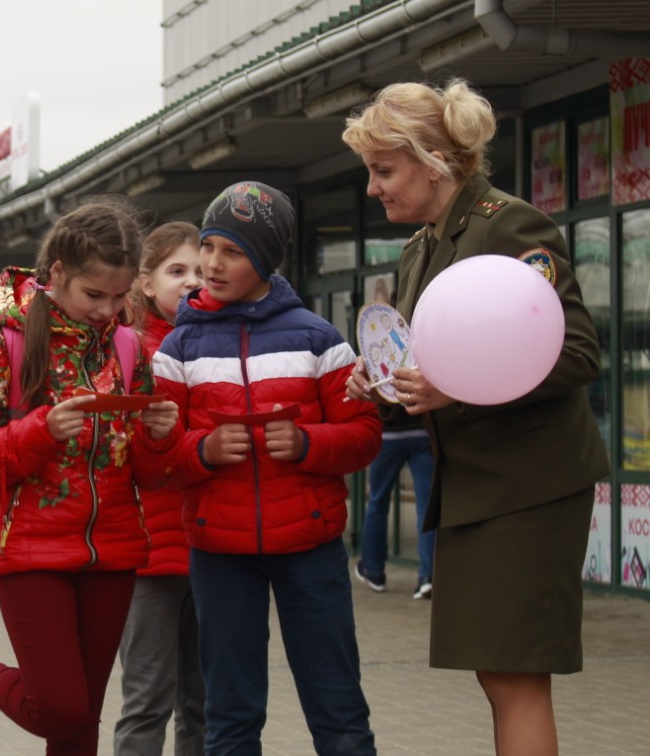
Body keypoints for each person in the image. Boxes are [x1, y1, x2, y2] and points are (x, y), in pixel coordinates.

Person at [342, 79, 607, 756]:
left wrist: (452, 391)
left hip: (529, 487)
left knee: (516, 677)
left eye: (383, 169)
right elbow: (439, 364)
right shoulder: (418, 248)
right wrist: (382, 385)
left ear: (432, 159)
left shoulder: (508, 223)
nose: (374, 188)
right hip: (476, 488)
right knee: (499, 674)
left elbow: (576, 352)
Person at [0, 197, 181, 756]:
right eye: (94, 294)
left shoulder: (128, 346)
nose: (109, 309)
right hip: (30, 549)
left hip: (114, 550)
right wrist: (41, 431)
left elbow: (149, 473)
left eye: (121, 296)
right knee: (61, 709)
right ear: (56, 276)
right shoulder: (1, 339)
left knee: (82, 724)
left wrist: (158, 434)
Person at [156, 182, 381, 755]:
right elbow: (153, 458)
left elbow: (363, 438)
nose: (211, 263)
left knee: (339, 712)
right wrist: (201, 451)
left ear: (265, 258)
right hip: (218, 555)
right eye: (209, 246)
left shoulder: (320, 338)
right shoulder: (177, 350)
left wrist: (307, 442)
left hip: (312, 547)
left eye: (231, 251)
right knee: (230, 718)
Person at [115, 221, 206, 756]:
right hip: (149, 557)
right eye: (177, 271)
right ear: (146, 283)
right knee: (147, 700)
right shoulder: (126, 350)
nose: (192, 281)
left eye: (199, 270)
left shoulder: (220, 344)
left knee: (205, 704)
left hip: (214, 550)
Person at [353, 404, 435, 599]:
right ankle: (427, 576)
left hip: (387, 434)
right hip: (421, 430)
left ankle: (374, 571)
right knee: (426, 507)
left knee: (377, 503)